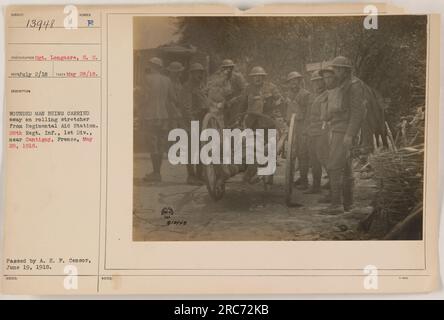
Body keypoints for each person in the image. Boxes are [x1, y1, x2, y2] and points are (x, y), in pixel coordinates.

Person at [322, 56, 366, 214]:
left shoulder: (354, 86)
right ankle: (348, 204)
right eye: (336, 69)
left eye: (339, 69)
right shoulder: (343, 85)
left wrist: (350, 134)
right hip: (339, 128)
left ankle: (336, 205)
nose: (336, 72)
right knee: (346, 167)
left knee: (334, 166)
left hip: (344, 131)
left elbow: (357, 113)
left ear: (346, 70)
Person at [140, 57, 178, 183]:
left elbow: (144, 97)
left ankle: (156, 173)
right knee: (161, 144)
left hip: (150, 115)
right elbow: (173, 98)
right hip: (164, 116)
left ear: (152, 66)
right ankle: (157, 172)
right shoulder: (167, 80)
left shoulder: (146, 79)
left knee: (153, 143)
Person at [180, 62, 209, 185]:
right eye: (197, 72)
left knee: (202, 147)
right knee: (192, 149)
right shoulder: (187, 87)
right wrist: (192, 122)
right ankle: (191, 176)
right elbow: (186, 107)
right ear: (191, 74)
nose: (200, 75)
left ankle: (199, 174)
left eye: (201, 72)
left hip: (203, 119)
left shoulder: (201, 86)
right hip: (192, 120)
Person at [304, 70, 329, 194]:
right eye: (315, 82)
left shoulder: (328, 95)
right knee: (313, 159)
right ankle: (316, 185)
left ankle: (333, 183)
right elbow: (307, 115)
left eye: (320, 81)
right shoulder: (311, 97)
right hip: (311, 131)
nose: (317, 84)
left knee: (323, 157)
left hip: (322, 131)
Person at [285, 71, 311, 190]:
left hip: (302, 127)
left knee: (302, 154)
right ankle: (290, 180)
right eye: (291, 82)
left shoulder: (305, 94)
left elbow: (307, 113)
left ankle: (304, 181)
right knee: (291, 154)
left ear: (300, 82)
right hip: (291, 127)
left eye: (296, 81)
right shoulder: (288, 94)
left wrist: (305, 129)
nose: (294, 84)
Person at [218, 59, 247, 124]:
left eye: (229, 67)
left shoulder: (238, 77)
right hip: (227, 104)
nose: (228, 70)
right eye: (225, 68)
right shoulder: (223, 79)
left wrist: (235, 99)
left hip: (238, 104)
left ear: (232, 68)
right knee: (226, 123)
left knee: (235, 123)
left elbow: (244, 91)